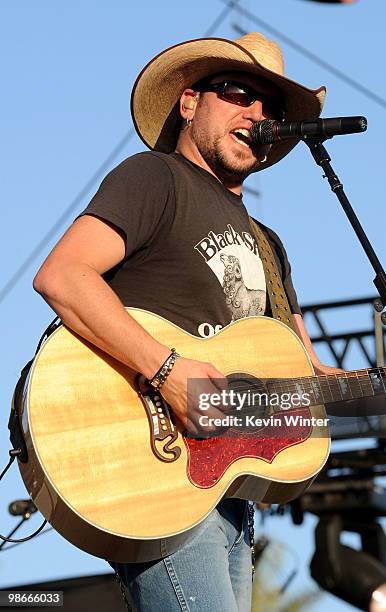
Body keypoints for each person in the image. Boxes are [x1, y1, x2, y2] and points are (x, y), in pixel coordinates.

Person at [33, 32, 338, 612]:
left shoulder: (269, 246)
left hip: (228, 494)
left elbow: (306, 377)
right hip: (157, 466)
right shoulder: (156, 178)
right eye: (239, 94)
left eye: (270, 107)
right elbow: (63, 276)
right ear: (189, 103)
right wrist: (168, 370)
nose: (258, 114)